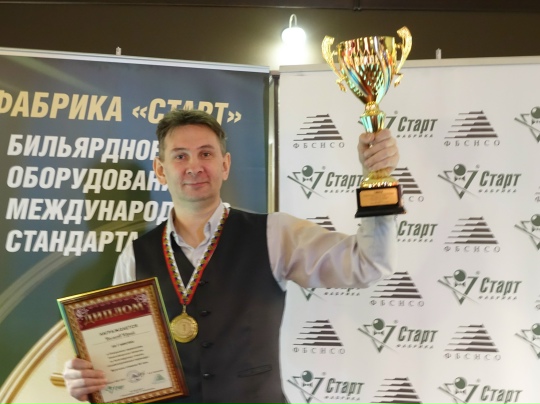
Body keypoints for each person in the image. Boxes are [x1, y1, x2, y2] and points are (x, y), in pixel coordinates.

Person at [63, 109, 399, 404]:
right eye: (180, 156)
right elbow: (119, 361)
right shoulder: (135, 256)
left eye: (205, 153)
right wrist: (89, 381)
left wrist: (378, 182)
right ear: (161, 170)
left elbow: (366, 264)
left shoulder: (274, 233)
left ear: (224, 165)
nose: (194, 166)